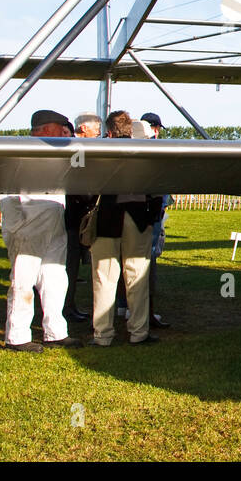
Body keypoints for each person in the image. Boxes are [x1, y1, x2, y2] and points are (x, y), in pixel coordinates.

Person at [0, 110, 82, 351]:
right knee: (23, 281)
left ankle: (55, 332)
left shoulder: (61, 150)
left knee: (55, 277)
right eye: (62, 128)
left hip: (54, 219)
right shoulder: (23, 151)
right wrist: (17, 227)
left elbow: (80, 164)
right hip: (30, 224)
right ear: (47, 129)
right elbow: (7, 192)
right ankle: (16, 336)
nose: (65, 132)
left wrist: (73, 140)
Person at [89, 111, 162, 346]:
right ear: (130, 130)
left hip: (108, 217)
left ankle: (102, 335)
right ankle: (139, 332)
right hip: (139, 216)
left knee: (104, 278)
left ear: (109, 131)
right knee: (138, 277)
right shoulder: (145, 151)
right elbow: (156, 188)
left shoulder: (99, 152)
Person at [62, 111, 102, 322]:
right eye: (96, 131)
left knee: (73, 268)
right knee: (69, 267)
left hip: (74, 215)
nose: (98, 135)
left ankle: (69, 306)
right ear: (85, 129)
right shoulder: (76, 148)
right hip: (72, 217)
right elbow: (77, 183)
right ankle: (65, 308)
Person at [140, 112, 171, 329]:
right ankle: (145, 313)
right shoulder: (154, 148)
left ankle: (127, 307)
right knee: (147, 263)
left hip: (142, 212)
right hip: (151, 213)